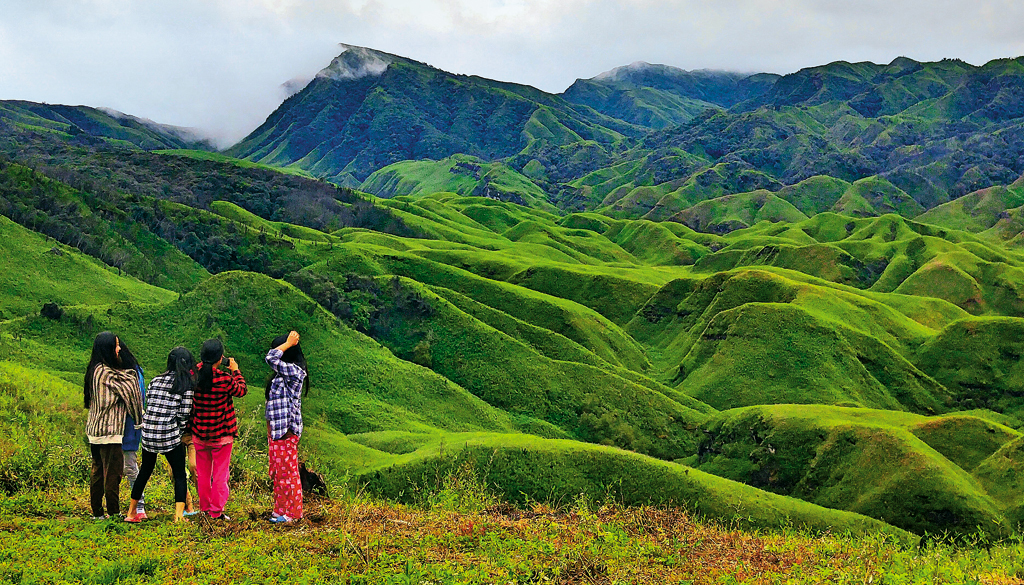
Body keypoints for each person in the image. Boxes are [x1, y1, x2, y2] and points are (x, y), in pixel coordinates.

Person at [125, 347, 195, 523]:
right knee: (179, 474)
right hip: (169, 434)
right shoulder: (185, 384)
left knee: (145, 472)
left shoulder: (156, 380)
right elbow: (184, 414)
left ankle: (131, 512)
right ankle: (179, 515)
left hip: (148, 433)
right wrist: (176, 433)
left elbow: (150, 403)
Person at [84, 331, 144, 520]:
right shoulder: (107, 372)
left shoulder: (95, 369)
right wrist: (138, 419)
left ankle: (97, 512)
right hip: (110, 431)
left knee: (98, 471)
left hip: (95, 430)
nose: (119, 349)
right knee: (113, 473)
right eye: (116, 346)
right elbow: (130, 387)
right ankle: (114, 511)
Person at [190, 338, 246, 520]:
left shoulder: (193, 376)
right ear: (220, 357)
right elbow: (242, 390)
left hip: (199, 434)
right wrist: (235, 370)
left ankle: (205, 508)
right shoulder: (225, 379)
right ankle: (216, 511)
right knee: (220, 475)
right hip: (221, 435)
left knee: (203, 473)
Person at [265, 330, 309, 523]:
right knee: (278, 473)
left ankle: (293, 513)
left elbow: (271, 357)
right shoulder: (281, 375)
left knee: (289, 474)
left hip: (286, 430)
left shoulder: (296, 372)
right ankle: (280, 509)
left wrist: (289, 343)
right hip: (276, 431)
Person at [120, 344, 147, 520]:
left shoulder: (131, 373)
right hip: (127, 427)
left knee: (129, 467)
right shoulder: (136, 371)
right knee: (128, 467)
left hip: (128, 427)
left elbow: (138, 400)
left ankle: (139, 506)